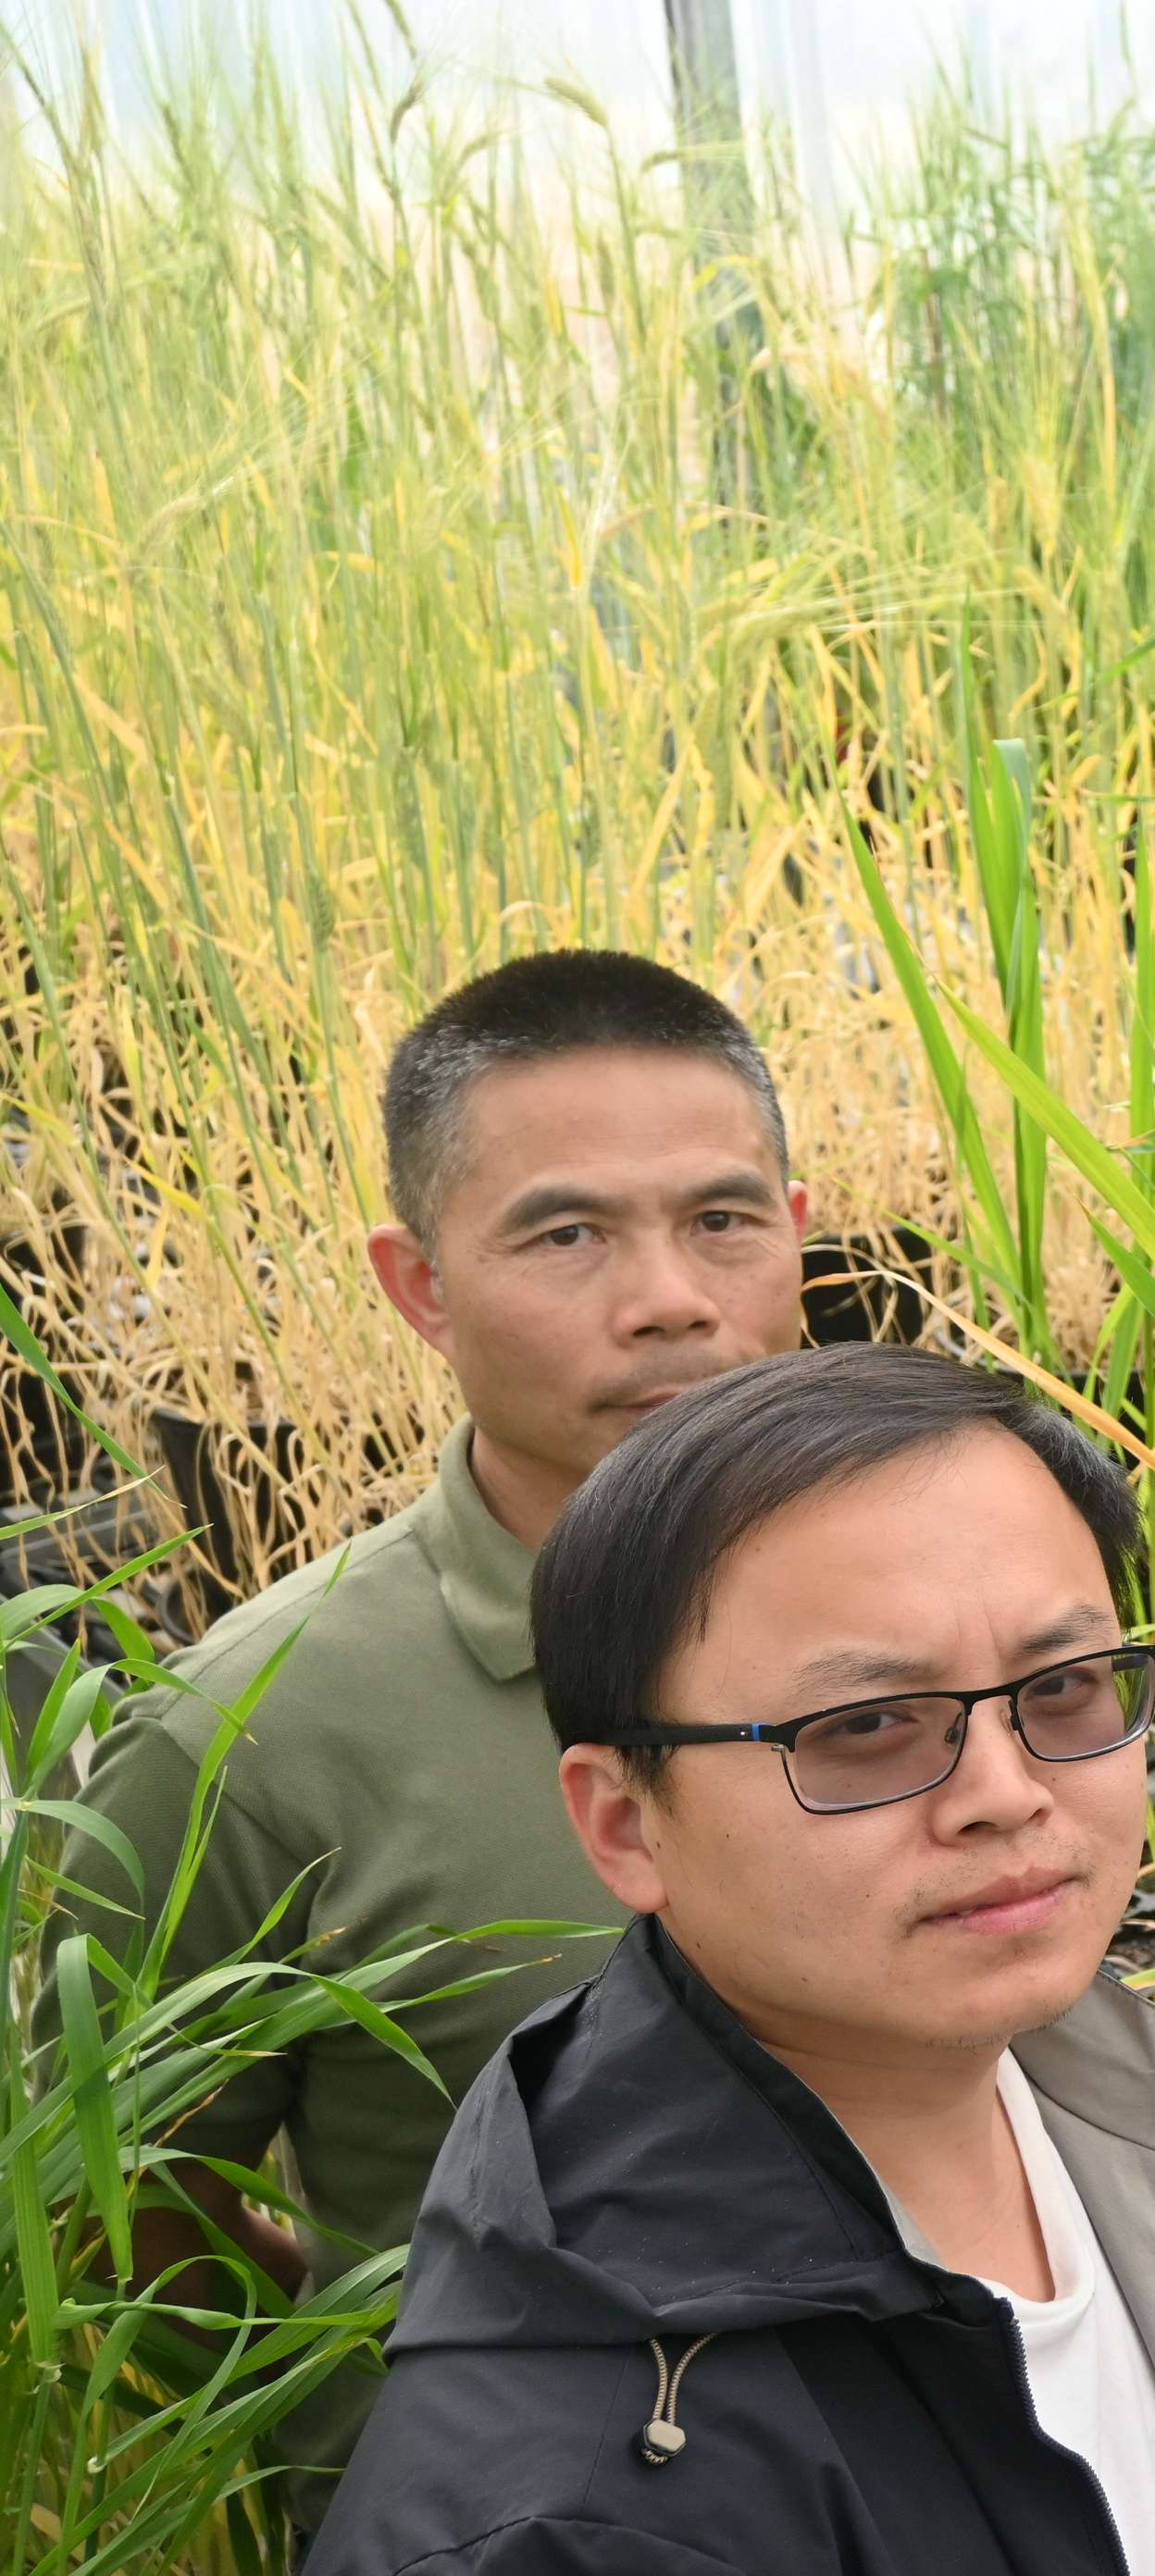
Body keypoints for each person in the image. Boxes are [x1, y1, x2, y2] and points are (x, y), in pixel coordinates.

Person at [307, 1344, 1155, 2576]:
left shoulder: (1094, 2077)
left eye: (1064, 1686)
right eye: (864, 1727)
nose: (1006, 1795)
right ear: (625, 1823)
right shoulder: (581, 2520)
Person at [60, 949, 812, 2510]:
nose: (671, 1294)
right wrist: (395, 2416)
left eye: (722, 1219)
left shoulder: (941, 1610)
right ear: (421, 1285)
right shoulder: (254, 1730)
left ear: (797, 1240)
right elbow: (120, 2198)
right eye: (566, 1231)